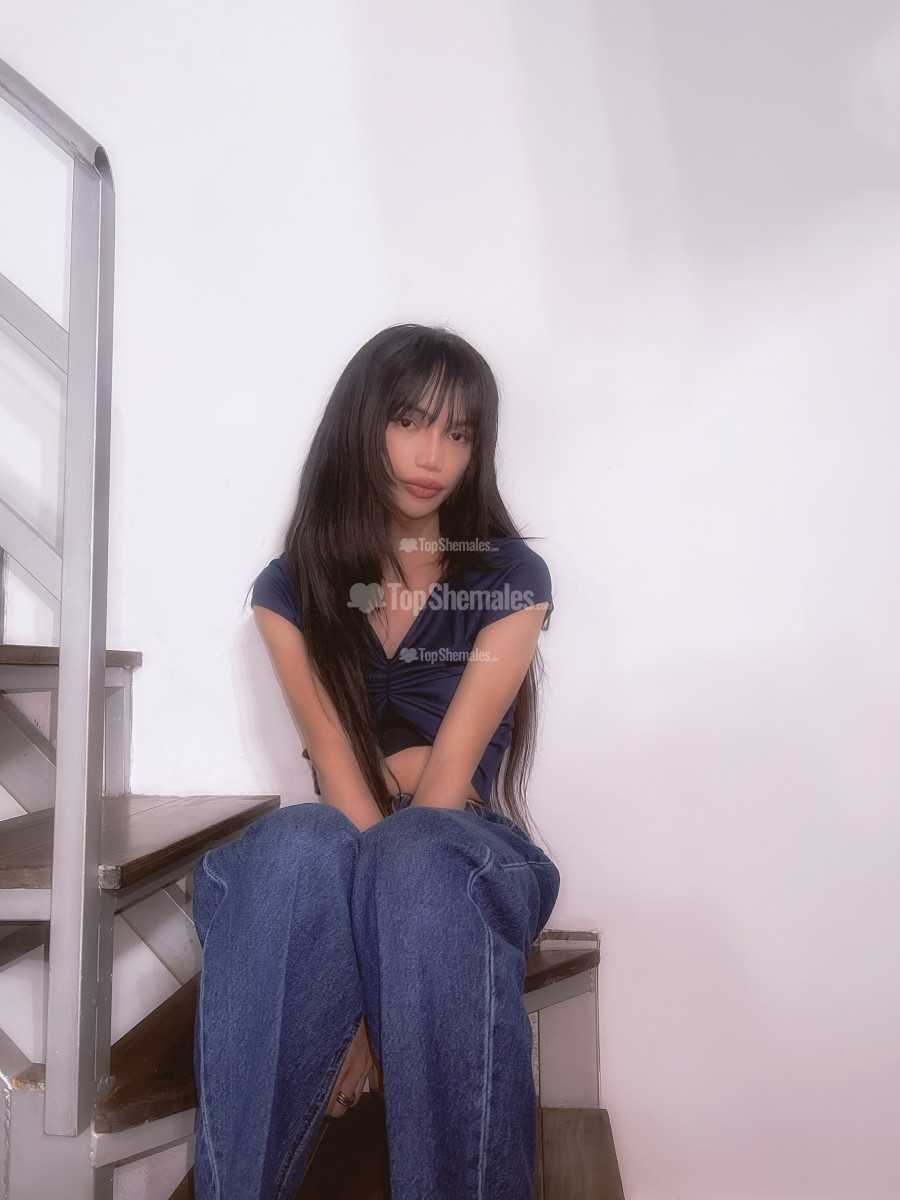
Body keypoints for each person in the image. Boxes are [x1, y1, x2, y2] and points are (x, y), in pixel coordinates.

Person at [192, 324, 560, 1199]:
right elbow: (337, 769)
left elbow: (447, 778)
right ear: (362, 424)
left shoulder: (509, 577)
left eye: (459, 433)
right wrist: (358, 999)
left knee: (417, 853)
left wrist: (376, 1002)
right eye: (409, 421)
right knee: (295, 845)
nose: (433, 456)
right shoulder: (293, 588)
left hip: (462, 849)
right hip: (345, 854)